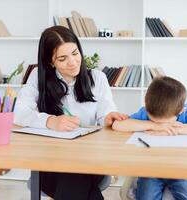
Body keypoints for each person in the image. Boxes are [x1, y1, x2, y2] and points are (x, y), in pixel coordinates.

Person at [14, 26, 128, 200]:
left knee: (75, 173)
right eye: (62, 58)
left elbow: (106, 113)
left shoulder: (97, 78)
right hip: (51, 164)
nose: (73, 62)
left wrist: (109, 118)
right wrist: (51, 121)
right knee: (81, 185)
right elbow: (19, 113)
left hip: (91, 161)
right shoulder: (38, 76)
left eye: (75, 53)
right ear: (50, 62)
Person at [112, 76, 187, 200]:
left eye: (165, 122)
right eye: (154, 120)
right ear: (147, 107)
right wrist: (154, 126)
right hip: (150, 169)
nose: (160, 124)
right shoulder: (146, 112)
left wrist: (176, 129)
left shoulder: (186, 113)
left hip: (181, 169)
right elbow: (117, 125)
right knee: (145, 196)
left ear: (181, 111)